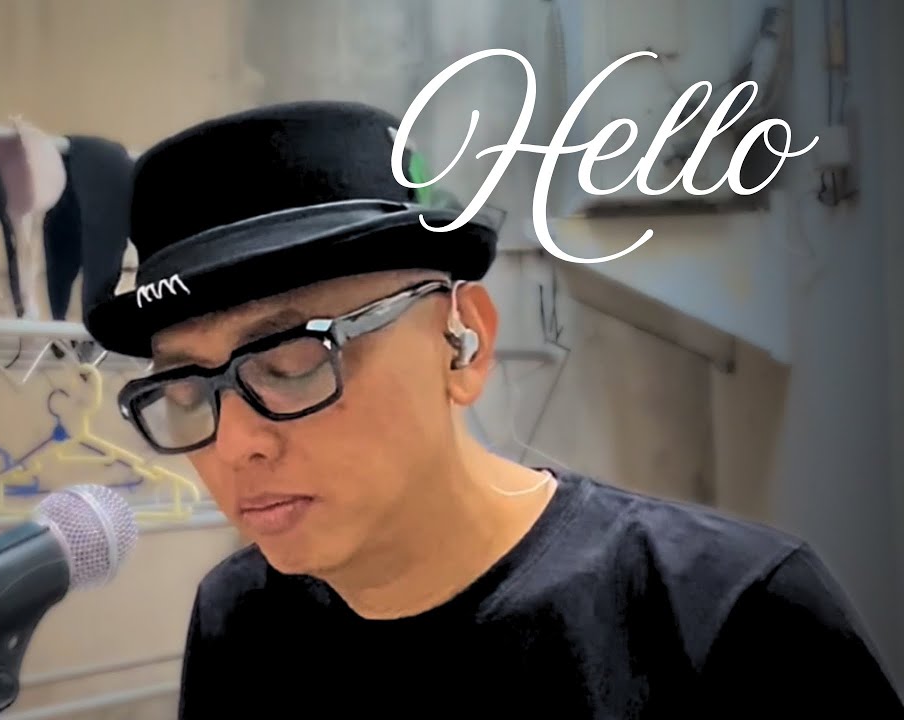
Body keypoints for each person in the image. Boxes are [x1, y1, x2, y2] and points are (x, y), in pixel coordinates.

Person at [84, 101, 903, 718]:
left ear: (461, 341)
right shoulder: (240, 621)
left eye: (292, 361)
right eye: (187, 390)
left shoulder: (729, 614)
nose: (235, 444)